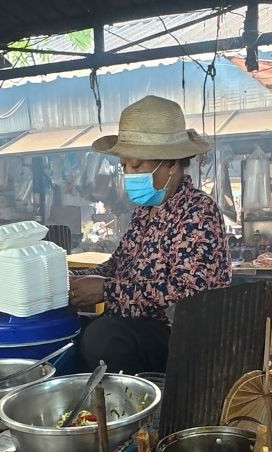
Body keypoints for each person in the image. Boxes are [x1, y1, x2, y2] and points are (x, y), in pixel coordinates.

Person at [68, 95, 231, 374]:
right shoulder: (146, 211)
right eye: (124, 167)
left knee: (102, 338)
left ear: (171, 163)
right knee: (73, 333)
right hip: (134, 326)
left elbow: (186, 291)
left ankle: (145, 410)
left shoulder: (198, 212)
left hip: (182, 337)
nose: (129, 174)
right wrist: (75, 280)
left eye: (137, 166)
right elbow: (118, 264)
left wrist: (106, 289)